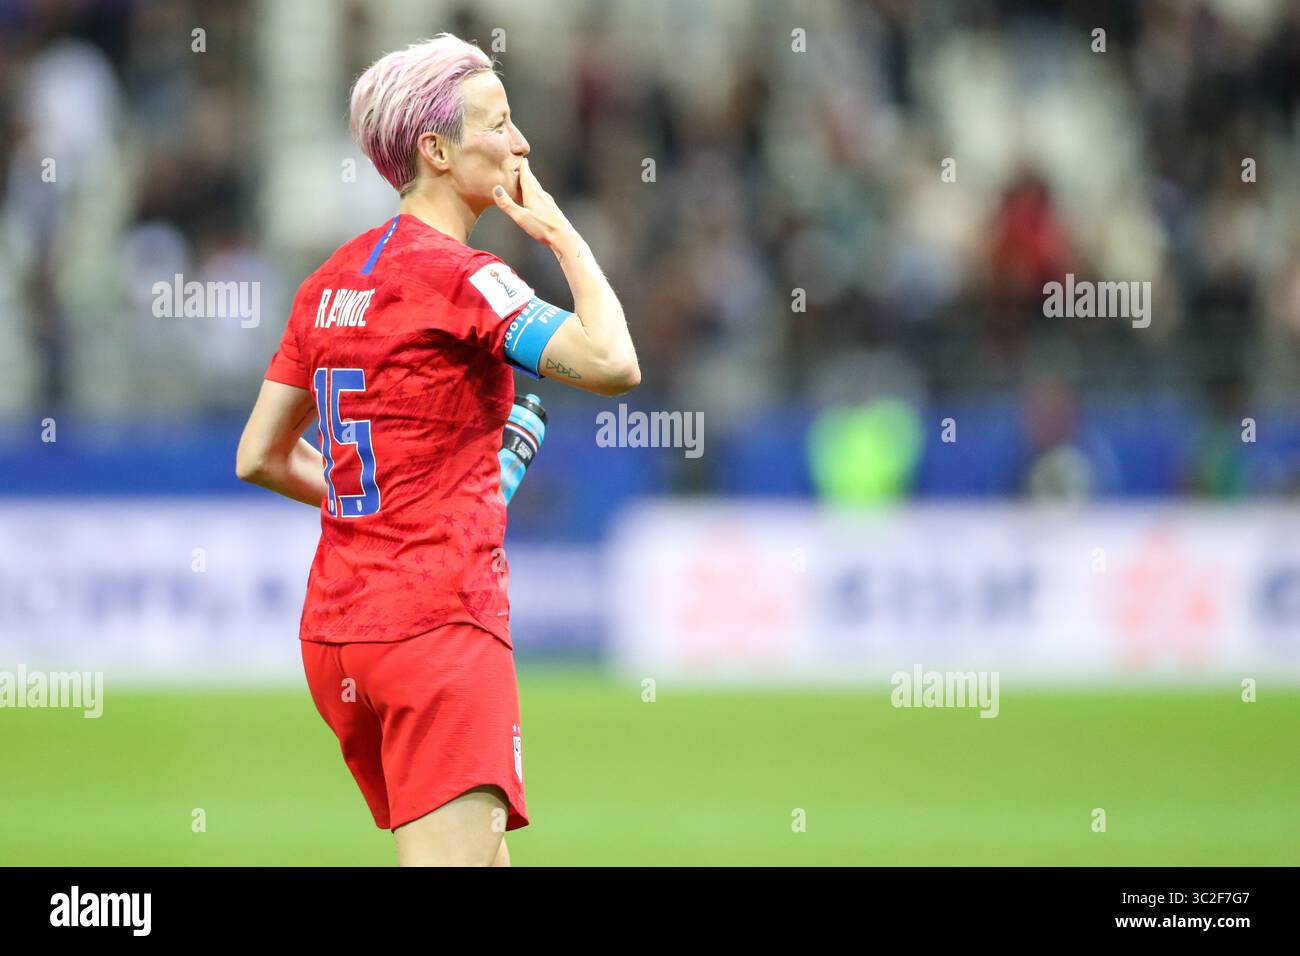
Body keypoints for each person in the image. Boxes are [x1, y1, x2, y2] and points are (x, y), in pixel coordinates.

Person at [234, 33, 639, 866]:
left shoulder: (331, 281)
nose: (521, 143)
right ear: (437, 149)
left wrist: (419, 497)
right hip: (436, 629)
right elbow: (614, 364)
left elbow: (261, 457)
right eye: (501, 122)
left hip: (338, 637)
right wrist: (567, 238)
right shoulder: (466, 277)